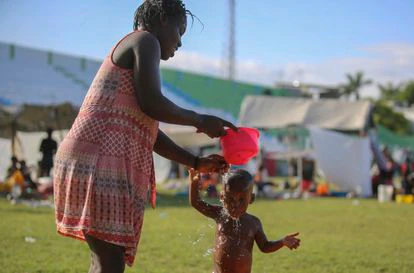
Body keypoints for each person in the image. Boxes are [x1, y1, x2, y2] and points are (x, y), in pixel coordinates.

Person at [53, 1, 238, 272]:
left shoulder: (140, 46)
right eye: (180, 31)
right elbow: (153, 103)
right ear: (163, 19)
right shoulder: (145, 40)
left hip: (91, 157)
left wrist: (195, 162)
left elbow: (149, 129)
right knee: (109, 264)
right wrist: (200, 120)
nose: (180, 43)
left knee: (104, 262)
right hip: (99, 160)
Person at [189, 169, 301, 273]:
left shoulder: (253, 223)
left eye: (241, 199)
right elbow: (196, 202)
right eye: (230, 199)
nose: (235, 205)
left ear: (251, 198)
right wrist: (194, 180)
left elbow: (265, 246)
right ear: (222, 197)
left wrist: (282, 242)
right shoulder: (219, 214)